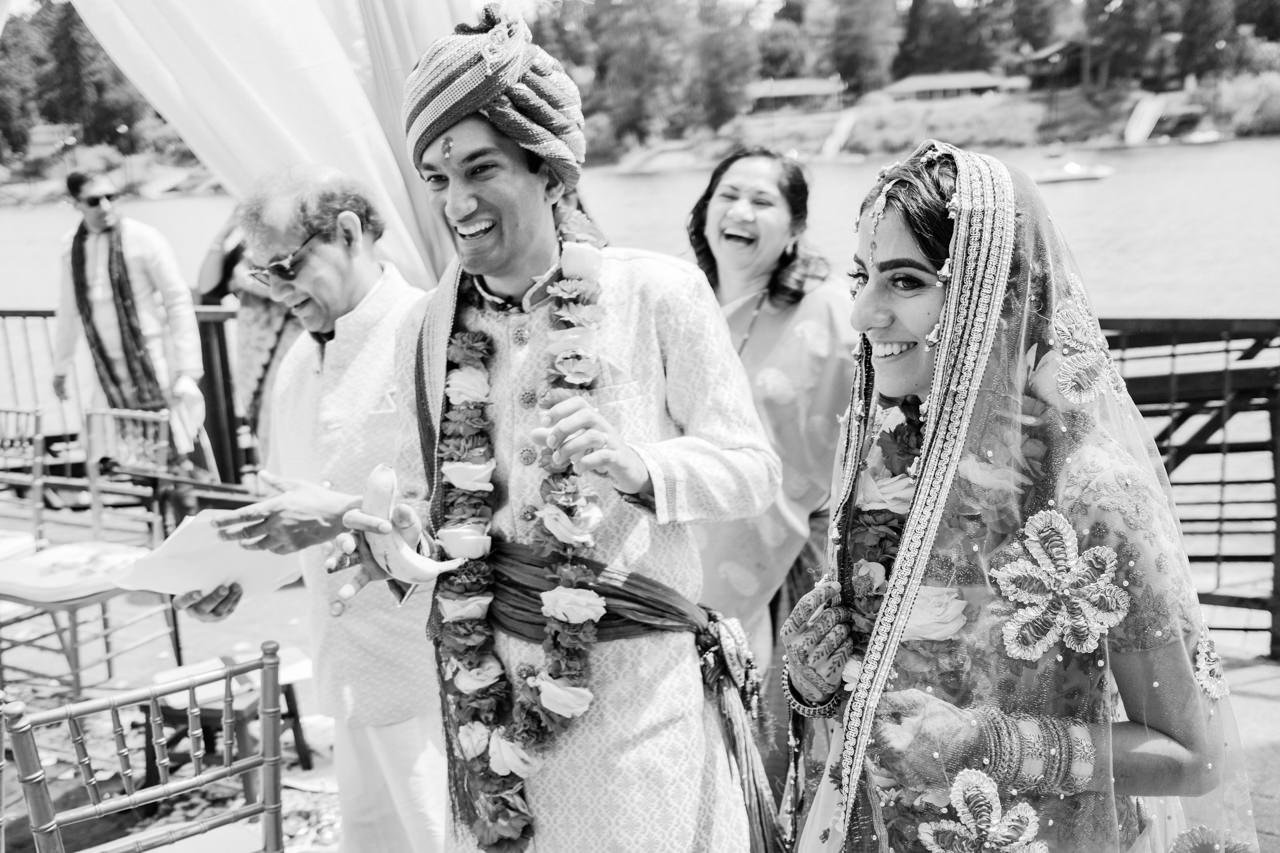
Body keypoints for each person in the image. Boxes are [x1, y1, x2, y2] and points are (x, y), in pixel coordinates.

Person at [337, 7, 784, 851]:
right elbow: (423, 497)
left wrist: (636, 464)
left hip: (634, 698)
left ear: (550, 172)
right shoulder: (425, 329)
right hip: (488, 694)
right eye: (436, 177)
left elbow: (753, 468)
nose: (456, 203)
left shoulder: (658, 293)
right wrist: (392, 533)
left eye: (480, 168)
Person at [779, 140, 1258, 852]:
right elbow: (875, 696)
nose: (863, 313)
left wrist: (986, 743)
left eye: (905, 282)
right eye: (863, 276)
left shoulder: (1093, 492)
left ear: (995, 299)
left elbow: (1196, 756)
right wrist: (816, 677)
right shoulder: (884, 454)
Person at [174, 167, 447, 853]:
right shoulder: (299, 358)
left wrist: (352, 516)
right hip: (342, 671)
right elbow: (287, 509)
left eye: (287, 267)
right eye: (263, 276)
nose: (280, 290)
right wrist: (234, 575)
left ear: (350, 232)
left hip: (432, 674)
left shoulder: (429, 335)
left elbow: (472, 511)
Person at [687, 147, 858, 789]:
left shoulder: (830, 311)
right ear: (705, 212)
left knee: (781, 763)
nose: (740, 211)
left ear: (793, 229)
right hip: (683, 563)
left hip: (798, 568)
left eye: (763, 201)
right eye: (728, 194)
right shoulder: (679, 300)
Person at [52, 171, 209, 470]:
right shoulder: (71, 248)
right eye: (94, 200)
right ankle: (155, 510)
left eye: (111, 197)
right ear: (77, 205)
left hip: (154, 366)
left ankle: (189, 509)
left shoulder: (144, 238)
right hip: (107, 374)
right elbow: (69, 310)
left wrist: (189, 367)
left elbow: (177, 300)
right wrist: (61, 367)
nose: (106, 206)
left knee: (174, 449)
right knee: (127, 458)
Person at [195, 213, 303, 466]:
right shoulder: (246, 250)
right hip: (254, 355)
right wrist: (227, 229)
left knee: (294, 425)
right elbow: (207, 285)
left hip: (293, 347)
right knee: (268, 433)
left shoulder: (297, 244)